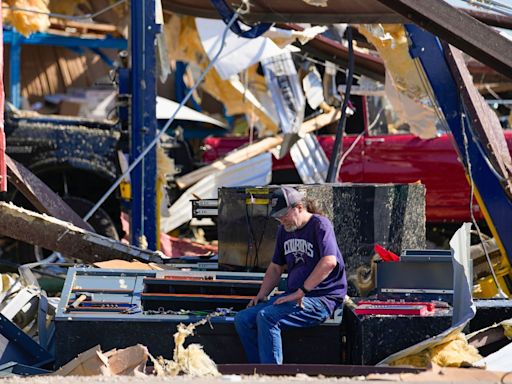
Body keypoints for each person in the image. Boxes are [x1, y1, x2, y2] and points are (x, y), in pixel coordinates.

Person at [234, 186, 347, 364]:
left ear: (299, 207)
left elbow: (329, 262)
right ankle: (256, 372)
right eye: (277, 216)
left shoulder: (320, 225)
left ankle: (272, 376)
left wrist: (301, 291)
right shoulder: (284, 230)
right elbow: (275, 268)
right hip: (294, 296)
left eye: (283, 214)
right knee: (242, 318)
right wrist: (261, 295)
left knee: (267, 317)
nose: (281, 220)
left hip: (321, 298)